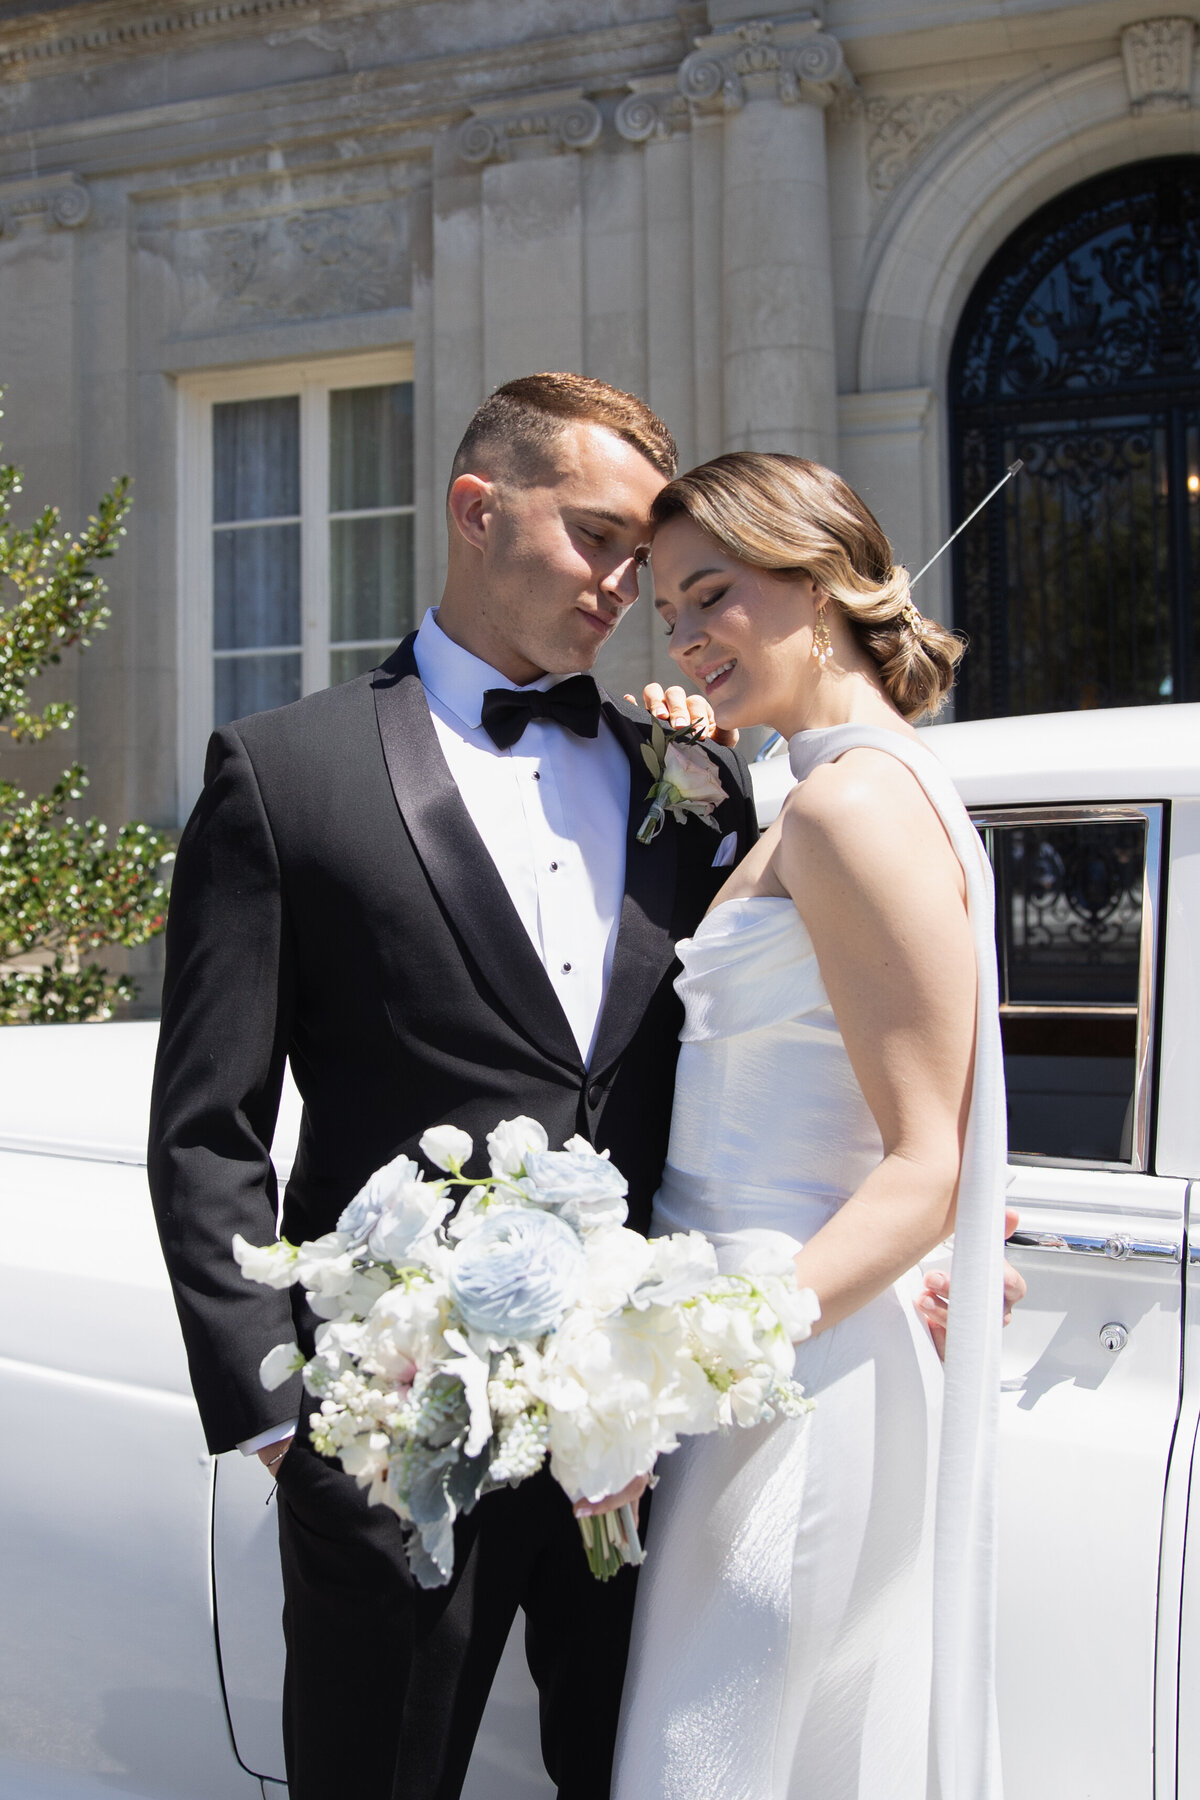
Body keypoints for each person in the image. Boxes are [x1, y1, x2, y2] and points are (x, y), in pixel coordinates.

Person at [148, 373, 759, 1800]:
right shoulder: (282, 773)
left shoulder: (690, 778)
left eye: (645, 555)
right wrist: (284, 1421)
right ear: (478, 511)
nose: (629, 585)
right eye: (600, 538)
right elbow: (206, 1129)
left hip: (647, 1441)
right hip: (394, 1439)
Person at [610, 453, 1007, 1800]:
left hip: (780, 1371)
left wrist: (683, 1369)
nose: (685, 636)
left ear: (825, 579)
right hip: (781, 1355)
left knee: (708, 1762)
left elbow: (924, 1161)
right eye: (668, 610)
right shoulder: (831, 788)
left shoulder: (851, 805)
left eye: (711, 593)